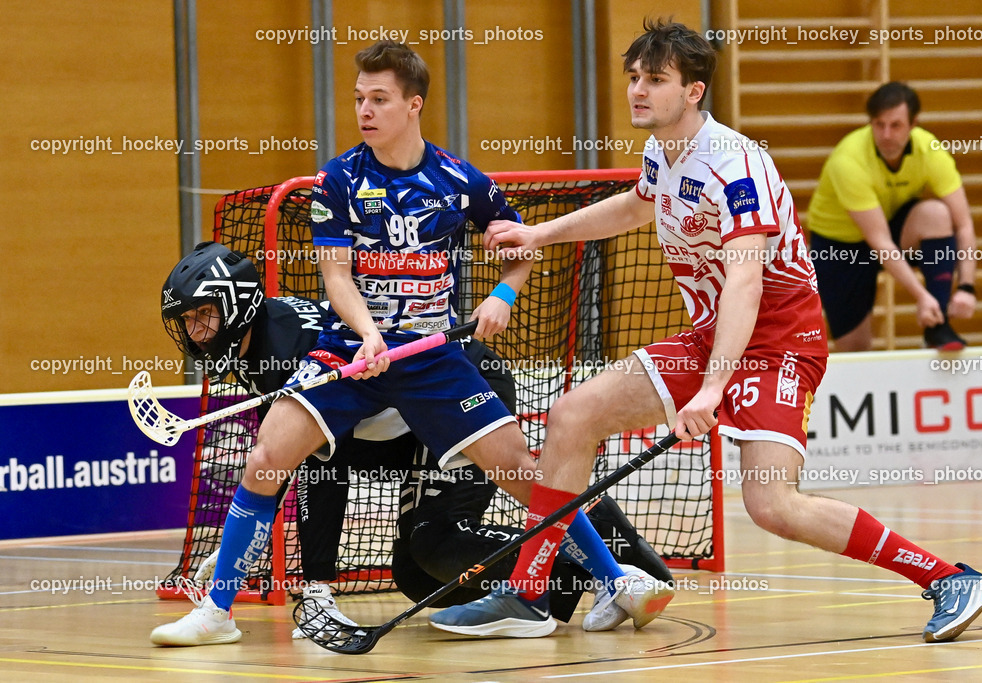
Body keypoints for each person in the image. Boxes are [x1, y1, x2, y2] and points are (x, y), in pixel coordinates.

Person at [430, 19, 982, 643]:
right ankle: (529, 595)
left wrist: (710, 389)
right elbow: (636, 206)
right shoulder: (661, 151)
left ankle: (947, 578)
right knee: (570, 417)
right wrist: (540, 234)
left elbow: (747, 282)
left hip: (779, 339)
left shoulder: (737, 165)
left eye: (656, 80)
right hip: (713, 332)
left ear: (695, 91)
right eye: (635, 78)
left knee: (772, 506)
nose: (638, 90)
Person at [150, 41, 672, 646]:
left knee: (523, 471)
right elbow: (336, 276)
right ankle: (218, 612)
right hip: (348, 350)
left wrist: (502, 297)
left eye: (379, 99)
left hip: (432, 359)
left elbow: (520, 247)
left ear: (413, 105)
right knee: (267, 458)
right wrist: (368, 334)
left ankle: (615, 579)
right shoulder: (338, 180)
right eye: (358, 99)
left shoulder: (460, 181)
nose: (364, 111)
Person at [155, 243, 672, 639]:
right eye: (188, 323)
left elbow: (320, 474)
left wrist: (316, 588)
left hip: (454, 385)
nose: (196, 332)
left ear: (237, 305)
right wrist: (237, 551)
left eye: (204, 317)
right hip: (404, 423)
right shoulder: (261, 341)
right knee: (416, 573)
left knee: (446, 528)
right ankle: (572, 577)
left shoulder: (287, 346)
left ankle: (612, 567)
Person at [807, 82, 978, 351]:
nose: (886, 134)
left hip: (887, 227)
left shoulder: (929, 150)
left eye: (896, 125)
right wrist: (920, 296)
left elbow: (964, 223)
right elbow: (880, 242)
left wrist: (967, 287)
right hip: (838, 243)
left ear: (913, 124)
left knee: (936, 214)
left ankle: (938, 325)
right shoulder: (848, 160)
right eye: (879, 124)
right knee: (855, 347)